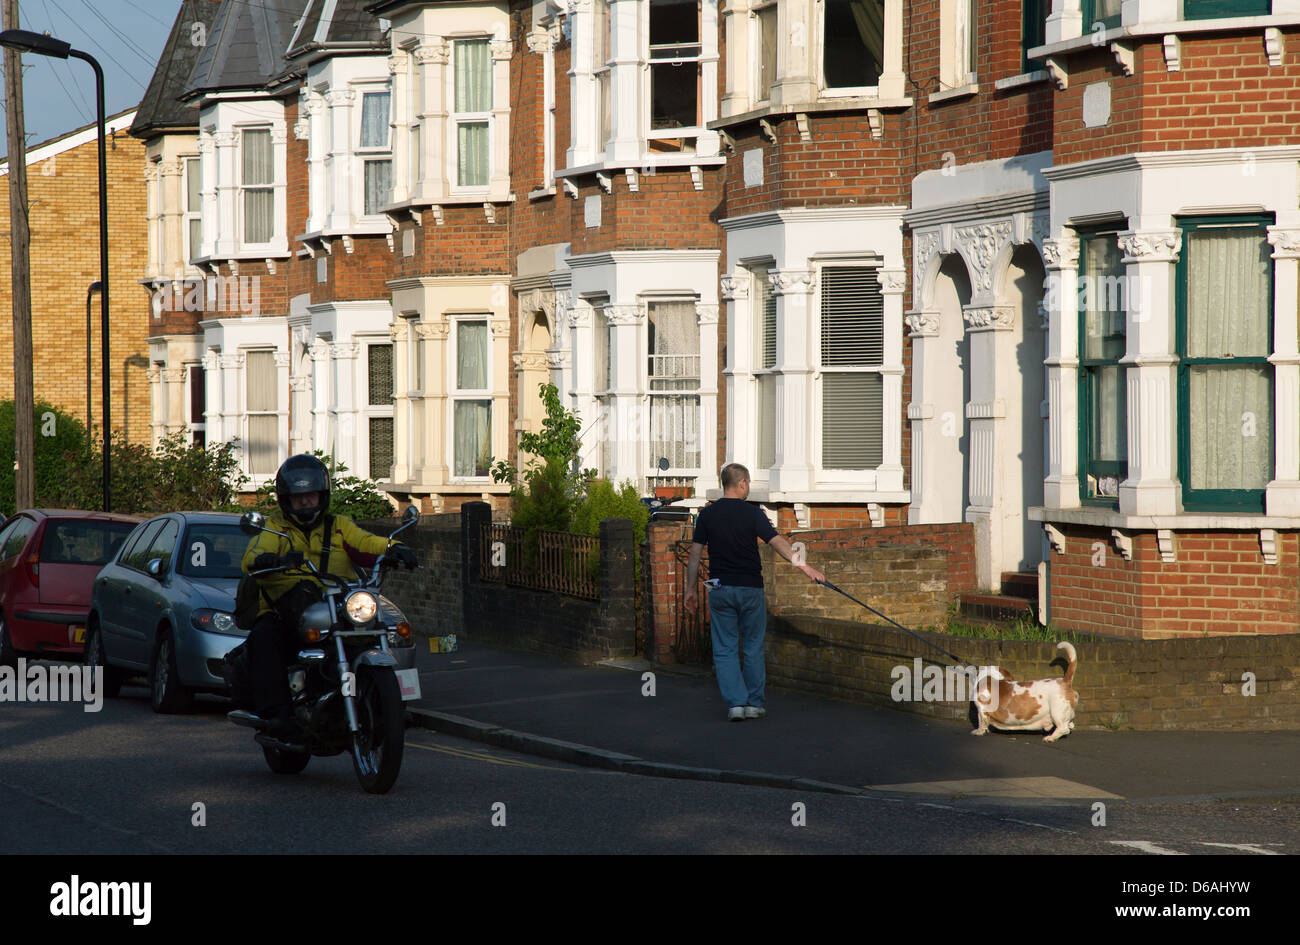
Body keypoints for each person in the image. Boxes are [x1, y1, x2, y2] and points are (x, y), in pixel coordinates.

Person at [241, 454, 417, 737]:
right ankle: (278, 713)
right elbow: (254, 553)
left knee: (382, 630)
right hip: (285, 609)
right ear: (286, 500)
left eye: (311, 496)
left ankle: (389, 705)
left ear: (322, 495)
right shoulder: (276, 528)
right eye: (299, 498)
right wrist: (265, 559)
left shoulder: (338, 525)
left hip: (337, 603)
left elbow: (367, 542)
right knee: (264, 638)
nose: (306, 502)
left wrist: (395, 546)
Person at [685, 463, 825, 721]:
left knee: (725, 648)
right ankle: (755, 703)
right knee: (752, 646)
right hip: (750, 588)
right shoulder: (753, 514)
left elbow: (694, 555)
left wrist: (690, 590)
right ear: (741, 483)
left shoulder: (707, 515)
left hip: (720, 589)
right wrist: (807, 568)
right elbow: (778, 543)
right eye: (748, 483)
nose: (748, 487)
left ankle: (736, 704)